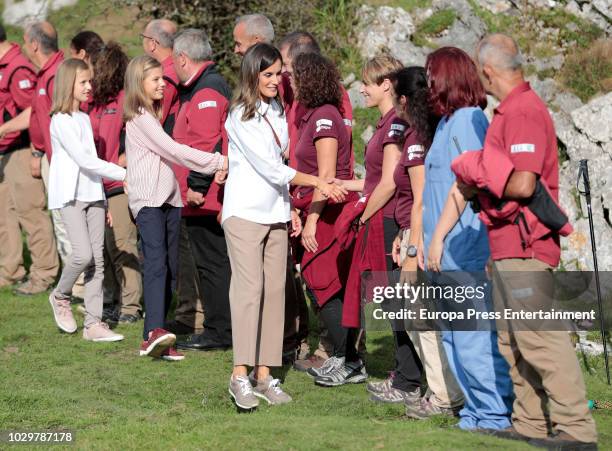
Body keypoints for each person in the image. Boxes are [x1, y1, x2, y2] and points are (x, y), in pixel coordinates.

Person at [456, 34, 597, 447]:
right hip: (507, 247)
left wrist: (475, 172)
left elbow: (522, 183)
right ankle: (531, 423)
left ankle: (575, 429)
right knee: (514, 342)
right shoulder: (509, 111)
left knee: (542, 340)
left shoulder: (522, 112)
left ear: (487, 71)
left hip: (526, 246)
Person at [222, 43, 346, 409]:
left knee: (276, 294)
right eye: (269, 75)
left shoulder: (277, 109)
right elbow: (270, 167)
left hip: (275, 213)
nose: (277, 81)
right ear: (252, 75)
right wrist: (317, 183)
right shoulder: (239, 114)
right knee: (249, 291)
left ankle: (264, 374)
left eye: (279, 73)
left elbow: (279, 165)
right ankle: (239, 374)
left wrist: (289, 205)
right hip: (244, 212)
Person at [420, 46, 512, 431]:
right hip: (441, 252)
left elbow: (473, 184)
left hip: (464, 248)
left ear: (447, 77)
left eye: (430, 75)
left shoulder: (471, 120)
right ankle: (473, 412)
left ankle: (494, 413)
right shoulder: (445, 122)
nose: (427, 83)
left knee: (474, 339)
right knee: (454, 341)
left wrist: (439, 236)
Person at [123, 55, 227, 360]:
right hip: (149, 203)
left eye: (161, 79)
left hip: (169, 200)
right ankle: (154, 329)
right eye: (154, 79)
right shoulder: (140, 117)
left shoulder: (153, 115)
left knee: (170, 268)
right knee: (156, 263)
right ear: (138, 83)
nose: (161, 84)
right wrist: (219, 162)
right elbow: (174, 151)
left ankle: (156, 338)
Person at [386, 67, 465, 417]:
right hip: (425, 236)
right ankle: (445, 392)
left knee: (423, 320)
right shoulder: (431, 130)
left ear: (403, 99)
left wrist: (411, 250)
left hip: (424, 241)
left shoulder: (418, 139)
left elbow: (420, 200)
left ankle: (445, 397)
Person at [337, 56, 417, 394]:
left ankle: (407, 377)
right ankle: (403, 373)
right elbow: (373, 181)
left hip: (386, 220)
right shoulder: (386, 122)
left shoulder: (395, 125)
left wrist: (364, 215)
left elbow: (387, 184)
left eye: (368, 83)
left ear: (386, 84)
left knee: (397, 302)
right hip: (381, 216)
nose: (362, 89)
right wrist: (339, 183)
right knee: (390, 301)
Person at [290, 51, 364, 387]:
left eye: (293, 75)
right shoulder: (312, 115)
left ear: (307, 79)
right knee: (321, 284)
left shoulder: (325, 117)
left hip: (329, 212)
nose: (287, 81)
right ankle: (344, 354)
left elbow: (328, 175)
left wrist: (312, 221)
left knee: (321, 280)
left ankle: (352, 360)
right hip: (314, 210)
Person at [47, 58, 126, 342]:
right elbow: (84, 160)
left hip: (93, 195)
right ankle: (60, 295)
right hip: (70, 196)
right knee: (83, 255)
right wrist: (123, 174)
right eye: (83, 82)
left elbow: (90, 165)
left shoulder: (83, 118)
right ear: (69, 84)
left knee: (98, 262)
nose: (89, 87)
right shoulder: (60, 121)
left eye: (89, 81)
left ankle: (93, 324)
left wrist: (103, 199)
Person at [168, 29, 233, 352]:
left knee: (212, 264)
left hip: (205, 199)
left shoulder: (207, 90)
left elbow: (206, 141)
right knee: (211, 263)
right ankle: (219, 327)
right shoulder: (203, 87)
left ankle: (220, 330)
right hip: (201, 196)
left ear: (182, 58)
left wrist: (196, 184)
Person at [142, 18, 204, 335]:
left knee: (166, 257)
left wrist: (215, 162)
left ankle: (166, 322)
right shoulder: (176, 76)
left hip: (171, 179)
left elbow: (165, 136)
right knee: (169, 255)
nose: (161, 86)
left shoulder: (163, 78)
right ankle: (162, 323)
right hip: (176, 175)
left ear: (152, 43)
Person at [0, 24, 59, 291]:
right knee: (5, 217)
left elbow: (34, 112)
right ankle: (10, 271)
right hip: (5, 152)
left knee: (31, 214)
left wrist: (4, 130)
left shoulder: (16, 68)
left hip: (21, 150)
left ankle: (44, 274)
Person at [87, 42, 143, 324]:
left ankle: (132, 305)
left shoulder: (125, 99)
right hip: (97, 184)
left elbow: (138, 134)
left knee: (123, 243)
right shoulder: (94, 103)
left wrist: (125, 157)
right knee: (105, 247)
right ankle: (111, 299)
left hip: (119, 184)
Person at [17, 21, 66, 296]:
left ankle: (79, 289)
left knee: (65, 221)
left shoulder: (59, 73)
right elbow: (36, 115)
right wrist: (37, 150)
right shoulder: (46, 72)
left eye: (26, 42)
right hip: (49, 157)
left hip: (63, 162)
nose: (25, 47)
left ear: (34, 44)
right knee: (60, 220)